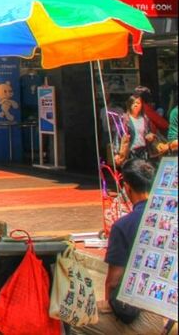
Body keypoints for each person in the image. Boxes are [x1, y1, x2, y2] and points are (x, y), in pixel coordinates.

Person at [76, 159, 165, 334]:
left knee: (74, 319)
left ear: (127, 187)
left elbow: (112, 282)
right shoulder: (168, 220)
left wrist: (109, 306)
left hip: (147, 318)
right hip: (168, 310)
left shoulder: (123, 226)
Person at [115, 95, 157, 165]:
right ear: (129, 105)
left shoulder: (145, 119)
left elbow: (148, 132)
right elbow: (117, 136)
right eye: (133, 103)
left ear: (141, 105)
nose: (136, 105)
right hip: (130, 152)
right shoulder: (125, 120)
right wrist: (116, 153)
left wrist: (150, 136)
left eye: (138, 103)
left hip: (143, 152)